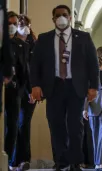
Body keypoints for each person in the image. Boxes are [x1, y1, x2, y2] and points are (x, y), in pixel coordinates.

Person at [30, 5, 99, 171]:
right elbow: (35, 65)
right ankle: (61, 163)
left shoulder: (83, 37)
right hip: (53, 86)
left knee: (75, 126)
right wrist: (35, 85)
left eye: (65, 15)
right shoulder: (44, 38)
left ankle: (76, 163)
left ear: (70, 18)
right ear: (53, 19)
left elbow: (93, 63)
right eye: (58, 15)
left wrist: (94, 86)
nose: (61, 18)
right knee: (56, 125)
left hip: (76, 87)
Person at [10, 14, 37, 171]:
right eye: (19, 23)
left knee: (24, 125)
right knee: (16, 126)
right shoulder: (13, 42)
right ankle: (15, 160)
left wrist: (34, 90)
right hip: (19, 88)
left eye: (25, 23)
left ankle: (23, 159)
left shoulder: (33, 43)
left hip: (30, 90)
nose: (22, 25)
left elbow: (34, 70)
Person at [6, 11, 31, 171]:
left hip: (14, 92)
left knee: (13, 127)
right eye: (9, 23)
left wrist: (21, 90)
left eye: (15, 23)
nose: (12, 26)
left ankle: (7, 160)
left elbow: (24, 72)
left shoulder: (21, 45)